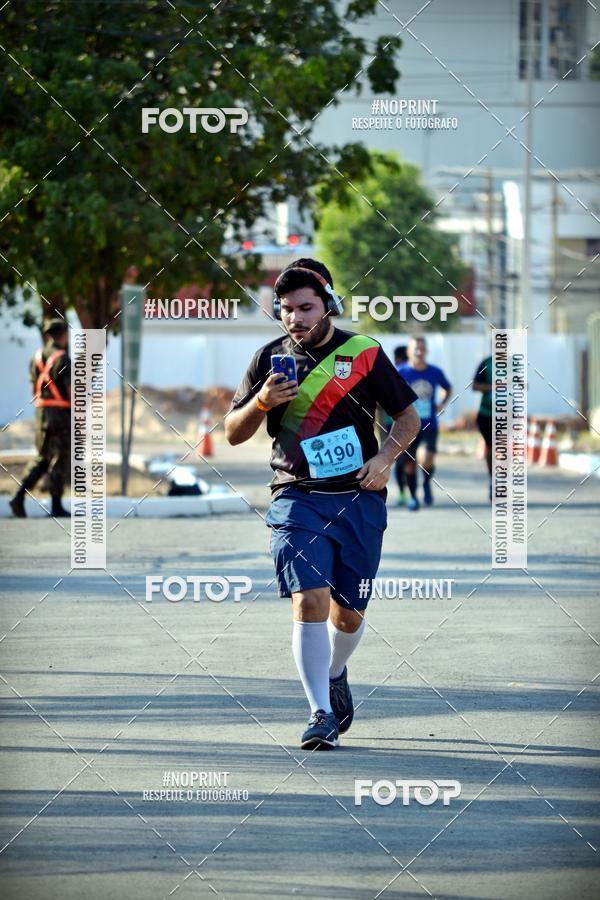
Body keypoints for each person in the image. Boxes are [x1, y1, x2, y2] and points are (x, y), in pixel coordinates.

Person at [225, 258, 419, 750]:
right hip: (295, 496)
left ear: (328, 303)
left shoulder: (365, 353)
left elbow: (408, 417)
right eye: (286, 310)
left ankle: (335, 671)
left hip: (357, 498)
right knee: (308, 599)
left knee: (348, 613)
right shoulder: (268, 359)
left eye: (306, 307)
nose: (295, 318)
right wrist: (263, 401)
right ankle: (319, 713)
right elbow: (231, 433)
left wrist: (385, 458)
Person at [10, 318, 71, 518]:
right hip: (60, 415)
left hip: (41, 413)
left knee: (43, 457)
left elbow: (33, 387)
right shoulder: (63, 359)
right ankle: (56, 505)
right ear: (63, 334)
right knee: (60, 458)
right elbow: (71, 390)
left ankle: (19, 496)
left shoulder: (36, 358)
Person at [398, 336, 452, 511]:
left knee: (426, 458)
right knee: (409, 462)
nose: (419, 352)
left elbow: (447, 387)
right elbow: (389, 392)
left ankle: (427, 482)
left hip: (429, 424)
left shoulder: (435, 372)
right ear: (409, 352)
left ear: (426, 350)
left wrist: (441, 403)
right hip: (407, 425)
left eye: (422, 348)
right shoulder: (401, 372)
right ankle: (413, 496)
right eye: (416, 348)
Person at [472, 353, 493, 501]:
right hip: (487, 413)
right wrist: (493, 387)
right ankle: (494, 480)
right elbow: (475, 385)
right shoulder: (486, 363)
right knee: (491, 448)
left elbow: (523, 384)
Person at [392, 345, 408, 505]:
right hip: (394, 423)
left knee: (400, 459)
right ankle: (406, 492)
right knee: (405, 459)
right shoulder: (394, 373)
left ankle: (404, 491)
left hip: (397, 423)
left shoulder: (397, 372)